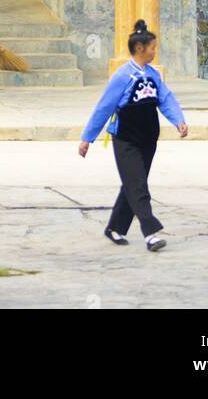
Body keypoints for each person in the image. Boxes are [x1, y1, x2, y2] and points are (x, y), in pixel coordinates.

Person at [78, 19, 187, 252]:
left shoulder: (153, 74)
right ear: (139, 49)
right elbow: (104, 107)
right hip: (126, 139)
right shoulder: (122, 76)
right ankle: (150, 233)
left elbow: (165, 99)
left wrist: (179, 121)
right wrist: (87, 138)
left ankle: (114, 227)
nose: (154, 52)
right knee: (137, 185)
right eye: (152, 48)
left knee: (133, 184)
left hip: (148, 138)